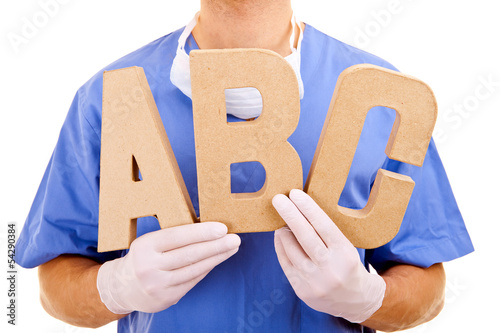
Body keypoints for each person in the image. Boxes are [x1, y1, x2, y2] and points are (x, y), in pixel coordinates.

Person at [15, 0, 474, 332]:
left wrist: (368, 298)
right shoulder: (109, 98)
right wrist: (116, 287)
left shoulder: (383, 99)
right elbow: (54, 283)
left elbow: (428, 282)